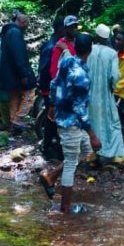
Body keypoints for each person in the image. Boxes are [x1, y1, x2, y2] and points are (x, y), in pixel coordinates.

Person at [38, 33, 102, 213]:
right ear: (90, 50)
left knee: (87, 151)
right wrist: (93, 134)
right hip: (71, 123)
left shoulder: (66, 61)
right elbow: (80, 108)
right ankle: (65, 208)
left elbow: (54, 83)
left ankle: (51, 176)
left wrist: (51, 105)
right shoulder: (82, 76)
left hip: (63, 117)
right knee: (71, 164)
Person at [87, 24, 124, 166]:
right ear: (107, 38)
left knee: (92, 123)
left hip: (89, 94)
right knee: (113, 123)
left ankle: (93, 155)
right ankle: (117, 155)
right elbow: (115, 76)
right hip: (105, 94)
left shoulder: (89, 50)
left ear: (96, 36)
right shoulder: (111, 53)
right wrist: (112, 88)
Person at [0, 12, 35, 133]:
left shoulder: (7, 32)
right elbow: (18, 55)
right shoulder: (15, 33)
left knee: (15, 97)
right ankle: (17, 119)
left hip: (9, 72)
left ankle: (12, 126)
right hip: (16, 72)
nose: (27, 26)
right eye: (27, 23)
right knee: (29, 95)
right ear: (22, 22)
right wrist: (23, 74)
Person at [38, 18, 65, 160]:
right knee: (53, 118)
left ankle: (48, 146)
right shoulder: (51, 47)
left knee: (52, 118)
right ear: (60, 29)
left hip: (53, 88)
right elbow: (44, 70)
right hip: (51, 89)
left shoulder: (57, 44)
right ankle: (49, 147)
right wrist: (47, 90)